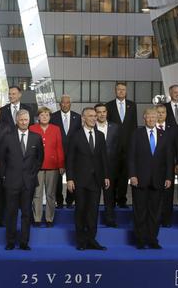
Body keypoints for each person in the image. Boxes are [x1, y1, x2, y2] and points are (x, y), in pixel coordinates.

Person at [128, 108, 173, 249]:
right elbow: (131, 157)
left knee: (155, 212)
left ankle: (153, 239)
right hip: (139, 179)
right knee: (140, 211)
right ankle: (141, 240)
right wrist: (132, 175)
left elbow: (169, 158)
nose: (152, 119)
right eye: (149, 117)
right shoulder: (136, 134)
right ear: (144, 118)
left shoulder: (164, 135)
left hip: (158, 180)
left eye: (154, 117)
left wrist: (169, 177)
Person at [0, 109, 44, 250]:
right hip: (12, 181)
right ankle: (10, 241)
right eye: (21, 120)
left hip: (28, 182)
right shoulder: (7, 137)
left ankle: (24, 242)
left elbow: (39, 159)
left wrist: (32, 173)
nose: (24, 122)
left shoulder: (36, 137)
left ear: (29, 120)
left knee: (26, 213)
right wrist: (4, 176)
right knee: (11, 213)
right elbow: (2, 159)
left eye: (26, 120)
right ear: (17, 121)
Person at [66, 107, 110, 250]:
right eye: (90, 116)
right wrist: (70, 179)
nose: (93, 118)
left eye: (94, 116)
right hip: (79, 180)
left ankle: (91, 239)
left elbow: (104, 158)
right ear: (83, 118)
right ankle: (81, 241)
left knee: (93, 211)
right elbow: (70, 159)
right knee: (81, 211)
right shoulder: (75, 136)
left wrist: (106, 176)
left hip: (96, 180)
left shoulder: (100, 135)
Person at [29, 107, 64, 227]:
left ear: (50, 117)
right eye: (42, 115)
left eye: (47, 115)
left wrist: (61, 165)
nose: (44, 117)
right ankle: (37, 218)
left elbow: (59, 147)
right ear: (38, 117)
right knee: (37, 194)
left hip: (53, 166)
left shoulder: (56, 129)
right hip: (36, 167)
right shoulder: (32, 128)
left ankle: (49, 218)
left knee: (50, 194)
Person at [105, 82, 137, 209]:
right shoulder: (109, 105)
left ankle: (122, 200)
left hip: (128, 146)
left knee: (124, 175)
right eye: (119, 89)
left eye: (123, 90)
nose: (121, 92)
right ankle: (112, 200)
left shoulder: (132, 105)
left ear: (126, 91)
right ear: (115, 91)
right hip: (113, 146)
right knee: (113, 174)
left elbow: (134, 125)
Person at [49, 95, 81, 209]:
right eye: (63, 102)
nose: (65, 104)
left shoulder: (77, 117)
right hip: (57, 153)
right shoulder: (53, 117)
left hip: (74, 154)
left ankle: (69, 201)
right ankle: (59, 201)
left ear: (70, 104)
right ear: (60, 104)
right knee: (56, 180)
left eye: (67, 102)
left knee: (72, 178)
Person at [94, 103, 120, 227]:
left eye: (103, 111)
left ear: (107, 113)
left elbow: (118, 148)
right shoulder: (90, 127)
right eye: (99, 112)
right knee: (93, 196)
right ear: (95, 114)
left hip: (110, 167)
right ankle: (91, 220)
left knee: (110, 196)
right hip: (93, 168)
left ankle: (110, 219)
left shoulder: (115, 127)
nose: (102, 114)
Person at [155, 103, 178, 227]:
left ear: (166, 114)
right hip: (153, 168)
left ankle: (166, 220)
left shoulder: (172, 129)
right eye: (158, 112)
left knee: (168, 194)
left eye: (163, 112)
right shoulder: (150, 127)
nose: (160, 114)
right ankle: (155, 219)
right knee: (155, 194)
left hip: (168, 166)